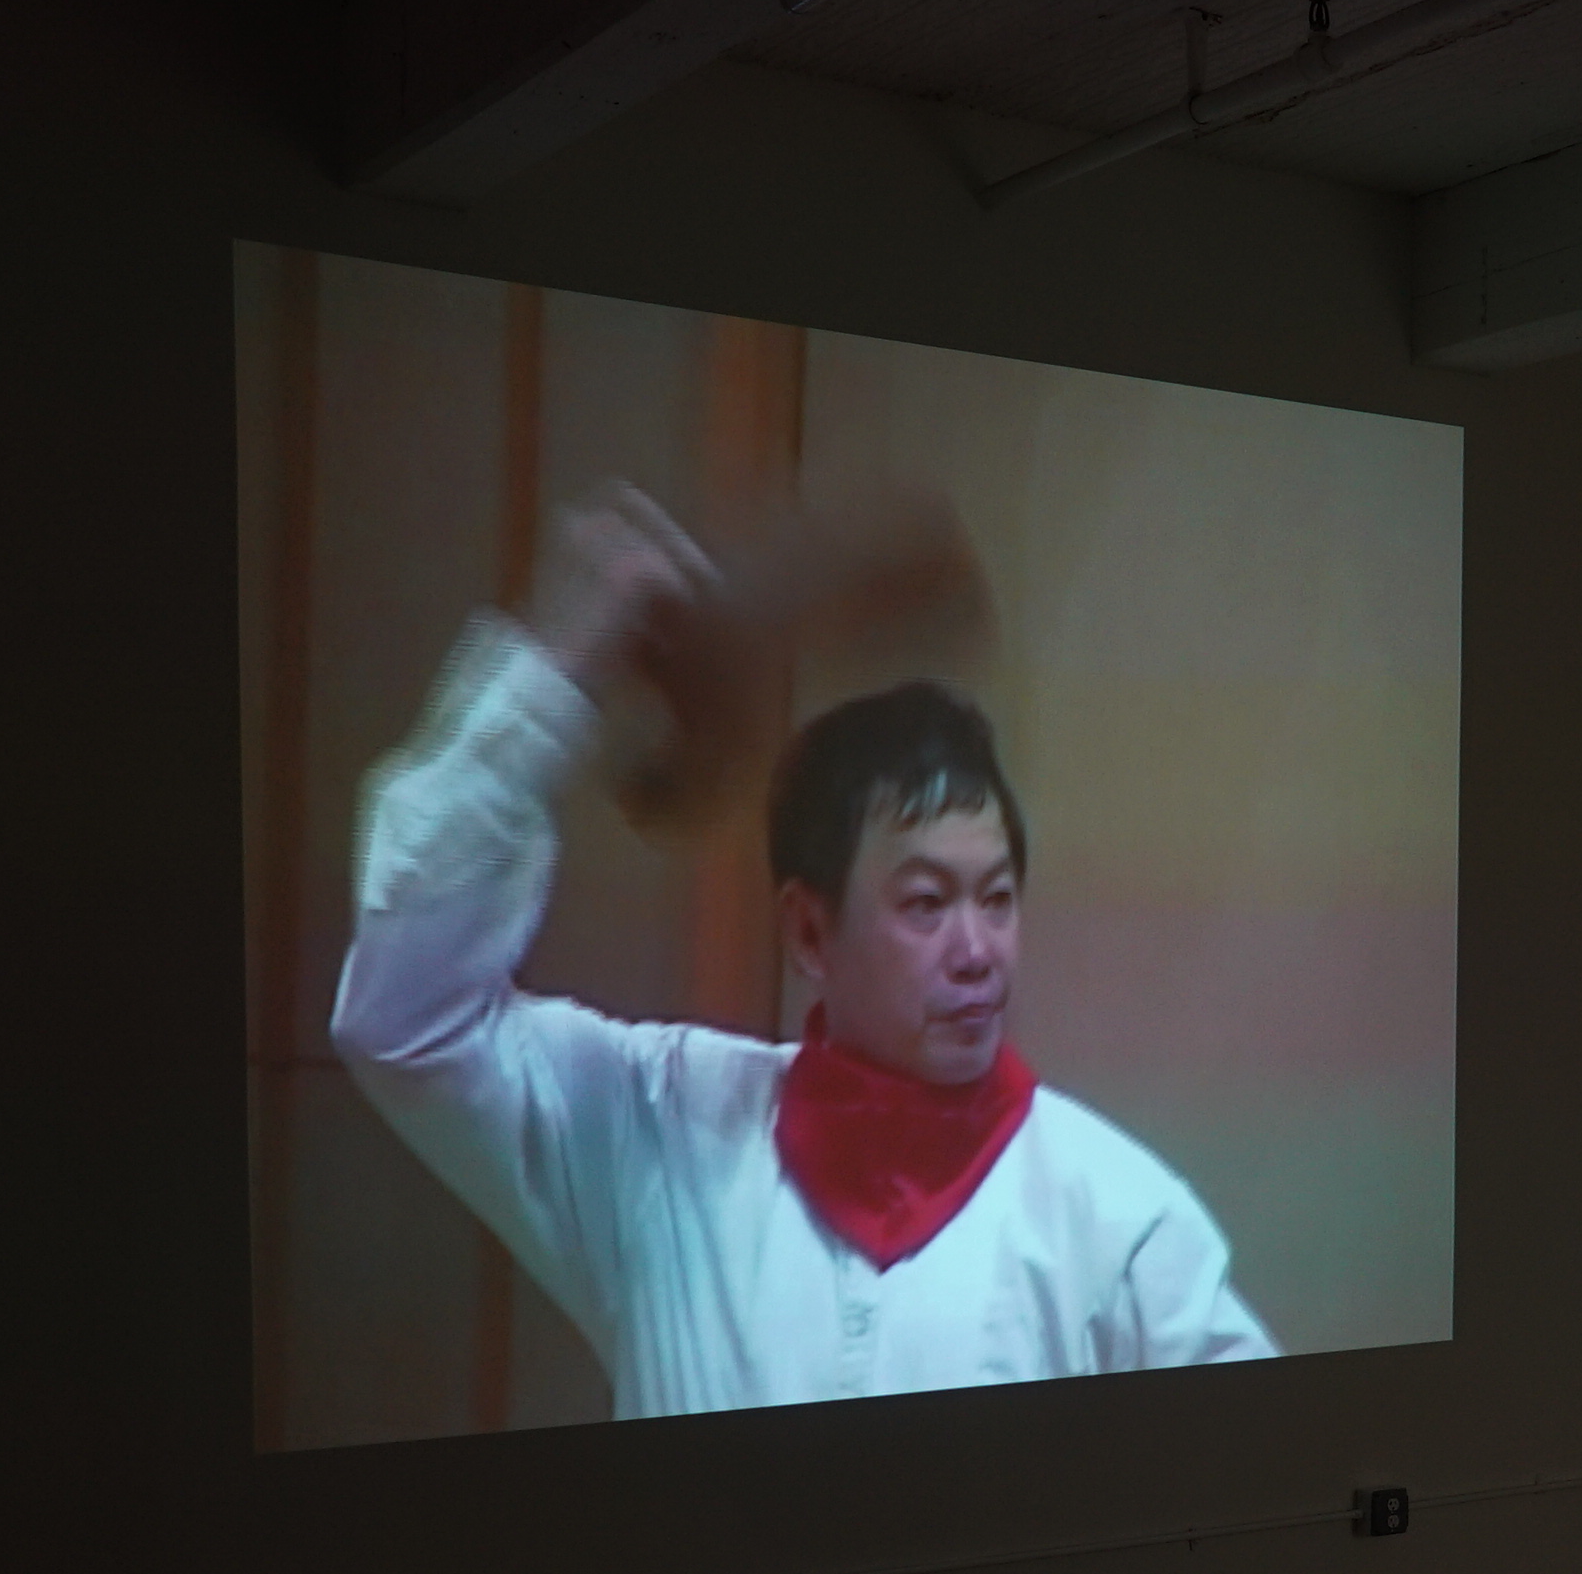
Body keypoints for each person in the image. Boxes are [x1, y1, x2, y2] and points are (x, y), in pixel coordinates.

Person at [330, 483, 1274, 1419]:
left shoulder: (1116, 1216)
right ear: (811, 932)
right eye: (926, 903)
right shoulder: (660, 1133)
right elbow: (407, 1020)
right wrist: (554, 670)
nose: (978, 952)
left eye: (997, 899)